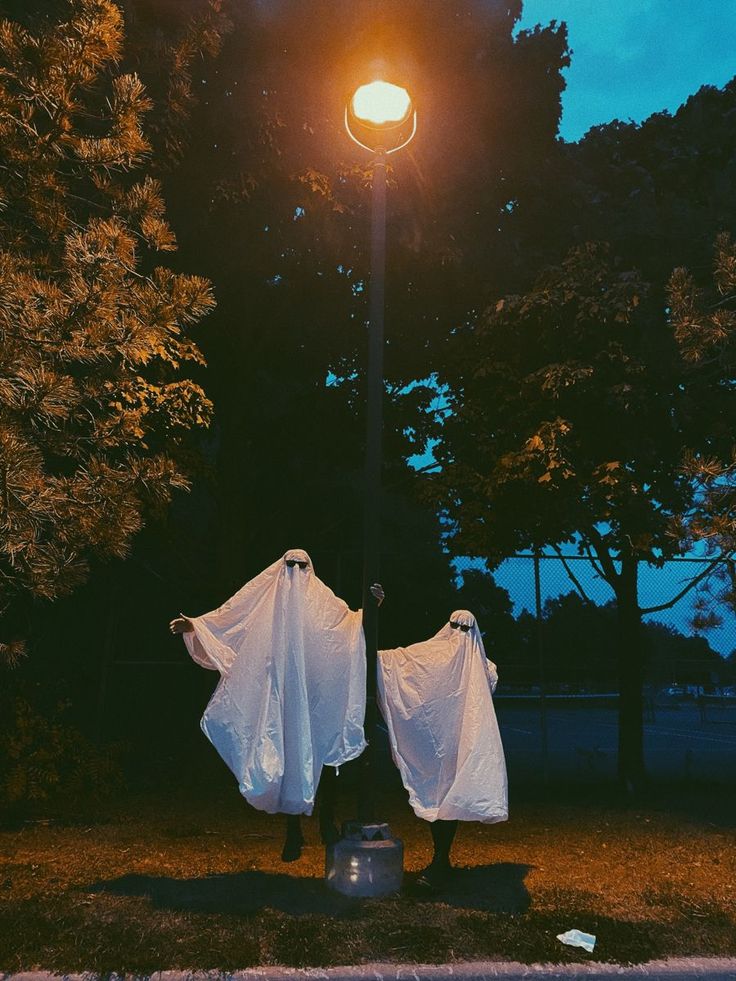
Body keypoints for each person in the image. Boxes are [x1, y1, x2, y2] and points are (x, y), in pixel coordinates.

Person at [170, 548, 383, 861]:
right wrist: (197, 626)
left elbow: (349, 625)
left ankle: (326, 821)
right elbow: (235, 618)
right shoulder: (269, 606)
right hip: (282, 696)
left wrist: (373, 607)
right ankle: (293, 830)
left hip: (316, 695)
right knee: (286, 756)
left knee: (322, 753)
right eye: (290, 566)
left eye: (301, 566)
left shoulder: (323, 604)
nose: (295, 573)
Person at [377, 609, 507, 889]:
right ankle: (441, 859)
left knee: (449, 801)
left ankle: (441, 858)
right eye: (456, 627)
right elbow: (406, 665)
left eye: (465, 629)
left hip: (459, 747)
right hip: (436, 747)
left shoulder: (483, 667)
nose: (460, 634)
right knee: (438, 800)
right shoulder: (433, 657)